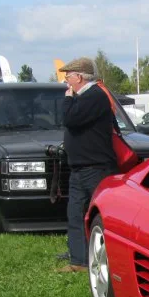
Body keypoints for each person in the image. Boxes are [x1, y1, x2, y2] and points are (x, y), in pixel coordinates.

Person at [57, 57, 118, 273]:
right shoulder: (86, 97)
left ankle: (111, 258)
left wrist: (68, 99)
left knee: (102, 215)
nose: (67, 81)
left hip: (96, 168)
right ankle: (79, 260)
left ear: (80, 77)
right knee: (75, 214)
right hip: (81, 168)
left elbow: (70, 119)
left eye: (69, 77)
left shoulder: (95, 96)